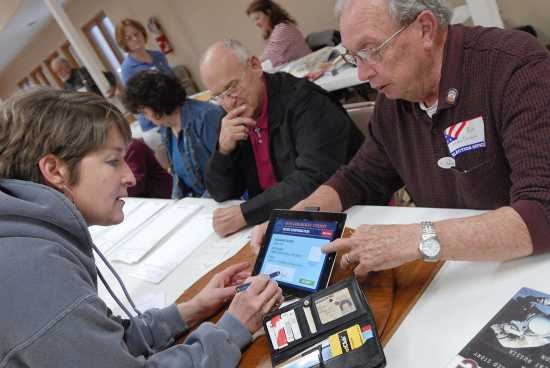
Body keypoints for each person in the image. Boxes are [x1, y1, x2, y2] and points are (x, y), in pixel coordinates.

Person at [251, 0, 550, 276]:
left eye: (371, 50)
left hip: (526, 270)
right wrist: (295, 219)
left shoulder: (515, 66)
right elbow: (359, 179)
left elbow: (542, 211)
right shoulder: (396, 98)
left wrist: (417, 237)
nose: (363, 73)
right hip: (458, 272)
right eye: (355, 57)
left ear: (425, 29)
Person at [0, 88, 282, 368]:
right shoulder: (34, 270)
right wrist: (231, 331)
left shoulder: (25, 240)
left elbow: (101, 344)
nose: (130, 177)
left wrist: (194, 309)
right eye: (113, 161)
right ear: (55, 170)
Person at [200, 39, 363, 237]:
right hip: (276, 221)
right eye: (218, 96)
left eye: (232, 87)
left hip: (346, 212)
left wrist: (246, 213)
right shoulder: (233, 116)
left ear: (255, 66)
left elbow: (314, 178)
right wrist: (223, 151)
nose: (228, 102)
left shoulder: (305, 101)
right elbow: (221, 192)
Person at [123, 70, 223, 198]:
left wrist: (201, 203)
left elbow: (225, 172)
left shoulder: (207, 117)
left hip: (223, 199)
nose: (146, 118)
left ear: (156, 102)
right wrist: (176, 201)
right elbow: (178, 175)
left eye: (144, 111)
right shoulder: (167, 128)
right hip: (203, 201)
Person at [117, 18, 174, 131]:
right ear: (124, 43)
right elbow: (137, 103)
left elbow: (172, 82)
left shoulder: (159, 56)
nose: (135, 39)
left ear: (142, 33)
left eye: (136, 34)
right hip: (154, 123)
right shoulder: (127, 68)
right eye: (129, 38)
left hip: (172, 112)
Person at [246, 0, 311, 68]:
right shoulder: (268, 33)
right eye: (253, 20)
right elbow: (271, 57)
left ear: (268, 13)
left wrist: (251, 64)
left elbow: (271, 53)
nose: (256, 23)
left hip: (303, 65)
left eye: (257, 18)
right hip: (291, 67)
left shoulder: (283, 28)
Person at [50, 56, 117, 97]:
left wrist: (113, 88)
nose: (60, 74)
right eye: (57, 72)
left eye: (60, 69)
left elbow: (109, 75)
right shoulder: (66, 87)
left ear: (67, 65)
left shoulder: (84, 72)